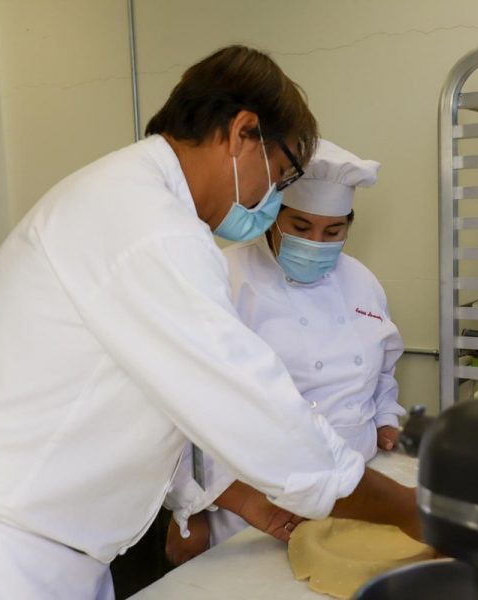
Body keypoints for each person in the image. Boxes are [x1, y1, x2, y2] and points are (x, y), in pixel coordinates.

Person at [0, 46, 419, 600]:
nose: (267, 202)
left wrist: (242, 498)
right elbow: (250, 405)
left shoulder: (134, 202)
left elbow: (156, 405)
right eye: (277, 179)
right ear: (241, 133)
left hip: (40, 556)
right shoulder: (150, 227)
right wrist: (414, 515)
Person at [165, 140, 407, 564]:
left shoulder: (363, 281)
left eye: (333, 232)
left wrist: (386, 417)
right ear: (273, 218)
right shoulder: (225, 277)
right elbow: (183, 407)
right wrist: (190, 504)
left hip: (358, 488)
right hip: (261, 507)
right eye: (300, 227)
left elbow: (382, 367)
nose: (317, 242)